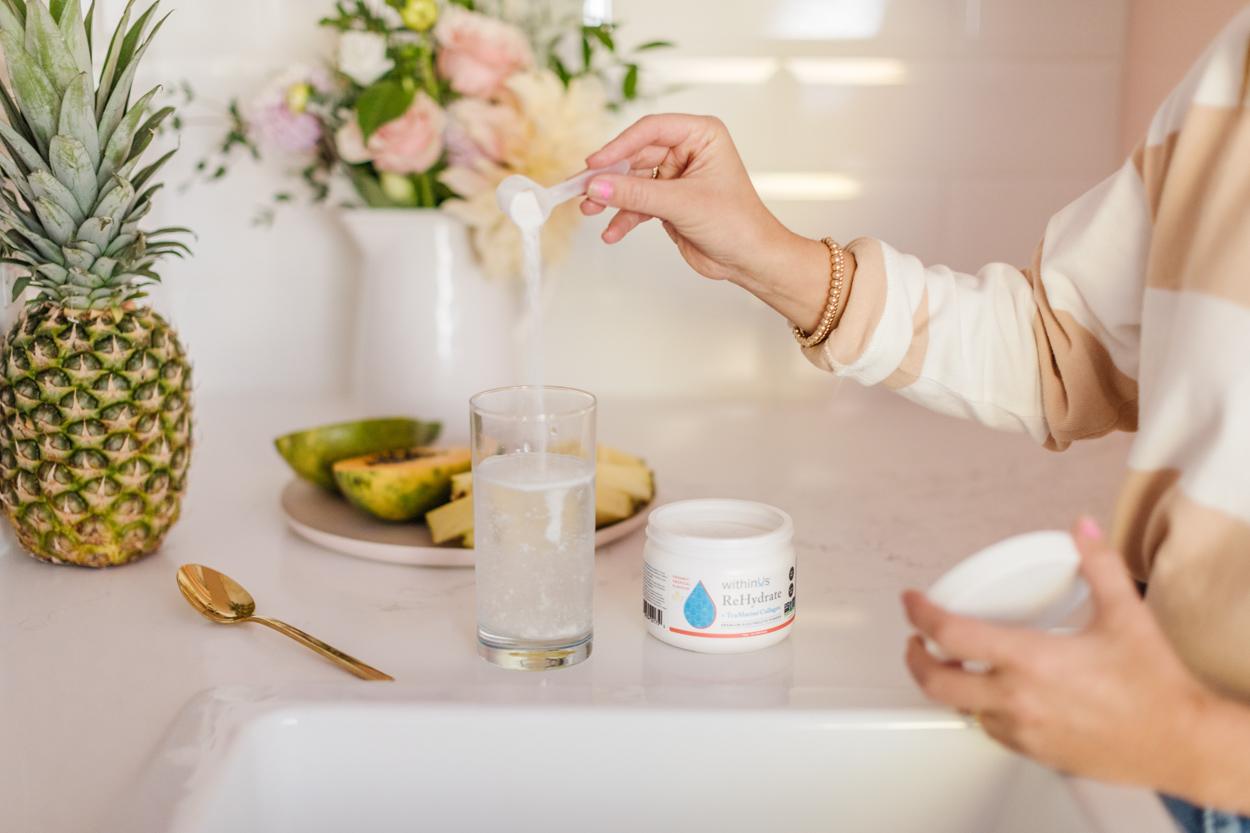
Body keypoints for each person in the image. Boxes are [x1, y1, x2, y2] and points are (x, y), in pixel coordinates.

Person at [579, 7, 1250, 829]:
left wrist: (1195, 742)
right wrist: (771, 253)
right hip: (1147, 742)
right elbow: (1060, 344)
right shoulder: (1240, 62)